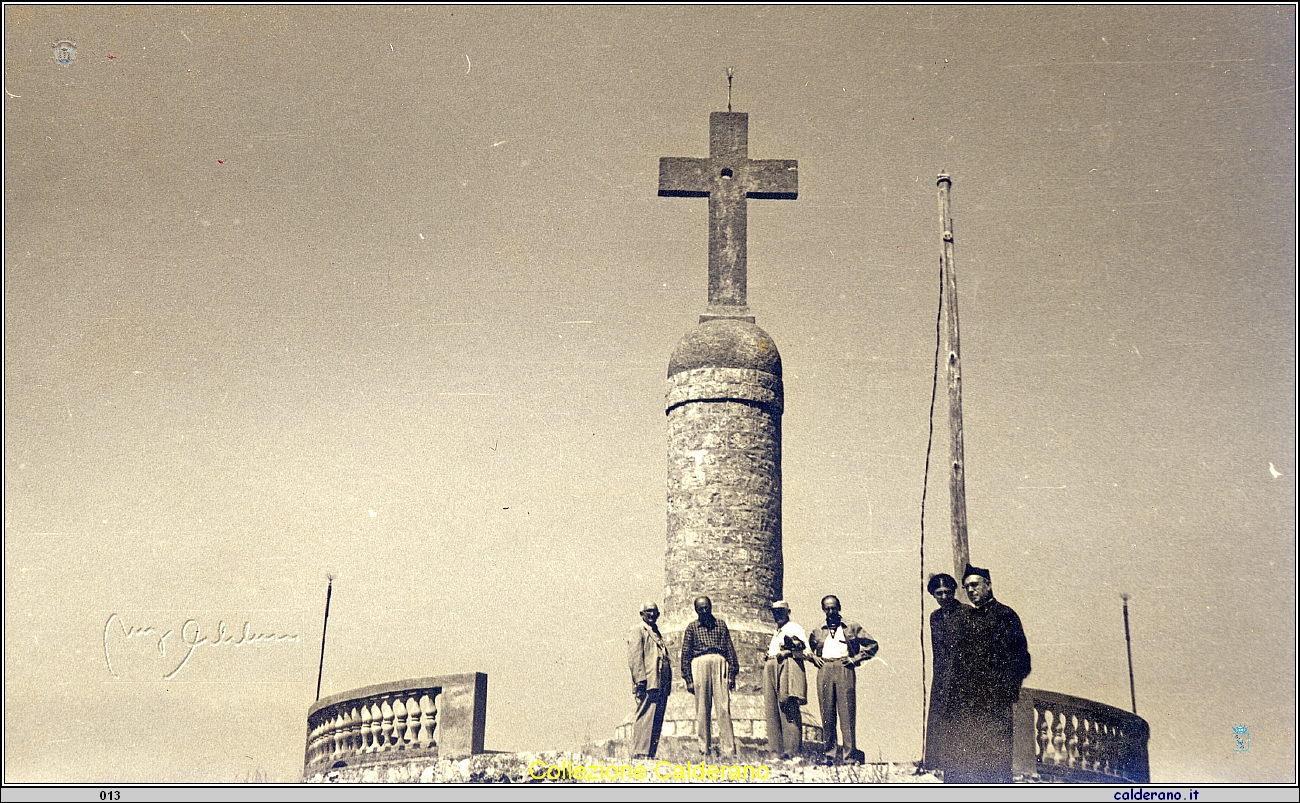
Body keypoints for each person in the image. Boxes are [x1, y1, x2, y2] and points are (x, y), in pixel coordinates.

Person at [947, 564, 1032, 783]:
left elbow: (1022, 660)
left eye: (975, 585)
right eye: (966, 587)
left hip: (995, 703)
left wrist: (1005, 690)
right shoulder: (966, 619)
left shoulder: (1006, 616)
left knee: (996, 763)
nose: (971, 590)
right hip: (968, 704)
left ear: (988, 585)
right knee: (969, 762)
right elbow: (958, 663)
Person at [807, 595, 878, 764]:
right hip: (825, 668)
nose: (831, 611)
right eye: (827, 608)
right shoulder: (817, 629)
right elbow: (807, 647)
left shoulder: (851, 626)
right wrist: (813, 658)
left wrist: (855, 659)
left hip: (844, 667)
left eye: (834, 608)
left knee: (847, 712)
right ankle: (829, 755)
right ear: (823, 610)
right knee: (827, 712)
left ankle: (850, 755)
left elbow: (872, 645)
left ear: (839, 608)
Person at [680, 596, 740, 756]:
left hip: (720, 663)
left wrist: (732, 673)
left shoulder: (720, 624)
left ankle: (728, 749)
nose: (705, 611)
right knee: (702, 708)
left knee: (723, 707)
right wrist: (688, 679)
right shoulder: (692, 628)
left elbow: (729, 648)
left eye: (707, 607)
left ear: (711, 606)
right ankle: (704, 748)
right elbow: (685, 653)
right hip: (699, 664)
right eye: (701, 609)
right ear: (696, 610)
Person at [923, 573, 966, 775]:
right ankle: (939, 760)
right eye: (938, 593)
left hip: (963, 672)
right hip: (942, 673)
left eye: (947, 592)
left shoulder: (966, 612)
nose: (943, 597)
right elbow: (937, 651)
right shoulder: (935, 617)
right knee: (941, 715)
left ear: (953, 592)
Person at [761, 600, 808, 759]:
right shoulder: (777, 631)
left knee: (787, 705)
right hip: (771, 664)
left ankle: (792, 752)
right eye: (775, 612)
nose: (777, 614)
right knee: (772, 708)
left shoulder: (794, 627)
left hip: (786, 664)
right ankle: (776, 752)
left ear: (788, 612)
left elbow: (803, 648)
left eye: (781, 611)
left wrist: (788, 651)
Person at [626, 601, 673, 759]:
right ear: (642, 614)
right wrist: (640, 680)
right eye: (648, 611)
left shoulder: (656, 632)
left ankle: (650, 753)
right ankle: (640, 752)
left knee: (656, 717)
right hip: (648, 681)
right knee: (645, 716)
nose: (652, 614)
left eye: (655, 612)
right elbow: (635, 656)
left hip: (660, 682)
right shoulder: (638, 630)